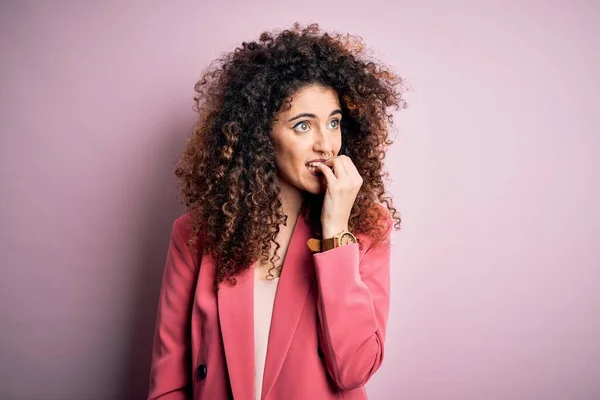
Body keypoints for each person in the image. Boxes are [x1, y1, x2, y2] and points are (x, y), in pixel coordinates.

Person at [148, 22, 406, 400]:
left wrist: (335, 233)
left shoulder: (366, 229)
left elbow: (355, 369)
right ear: (260, 135)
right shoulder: (196, 233)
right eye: (303, 125)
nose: (326, 145)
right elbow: (168, 383)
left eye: (333, 123)